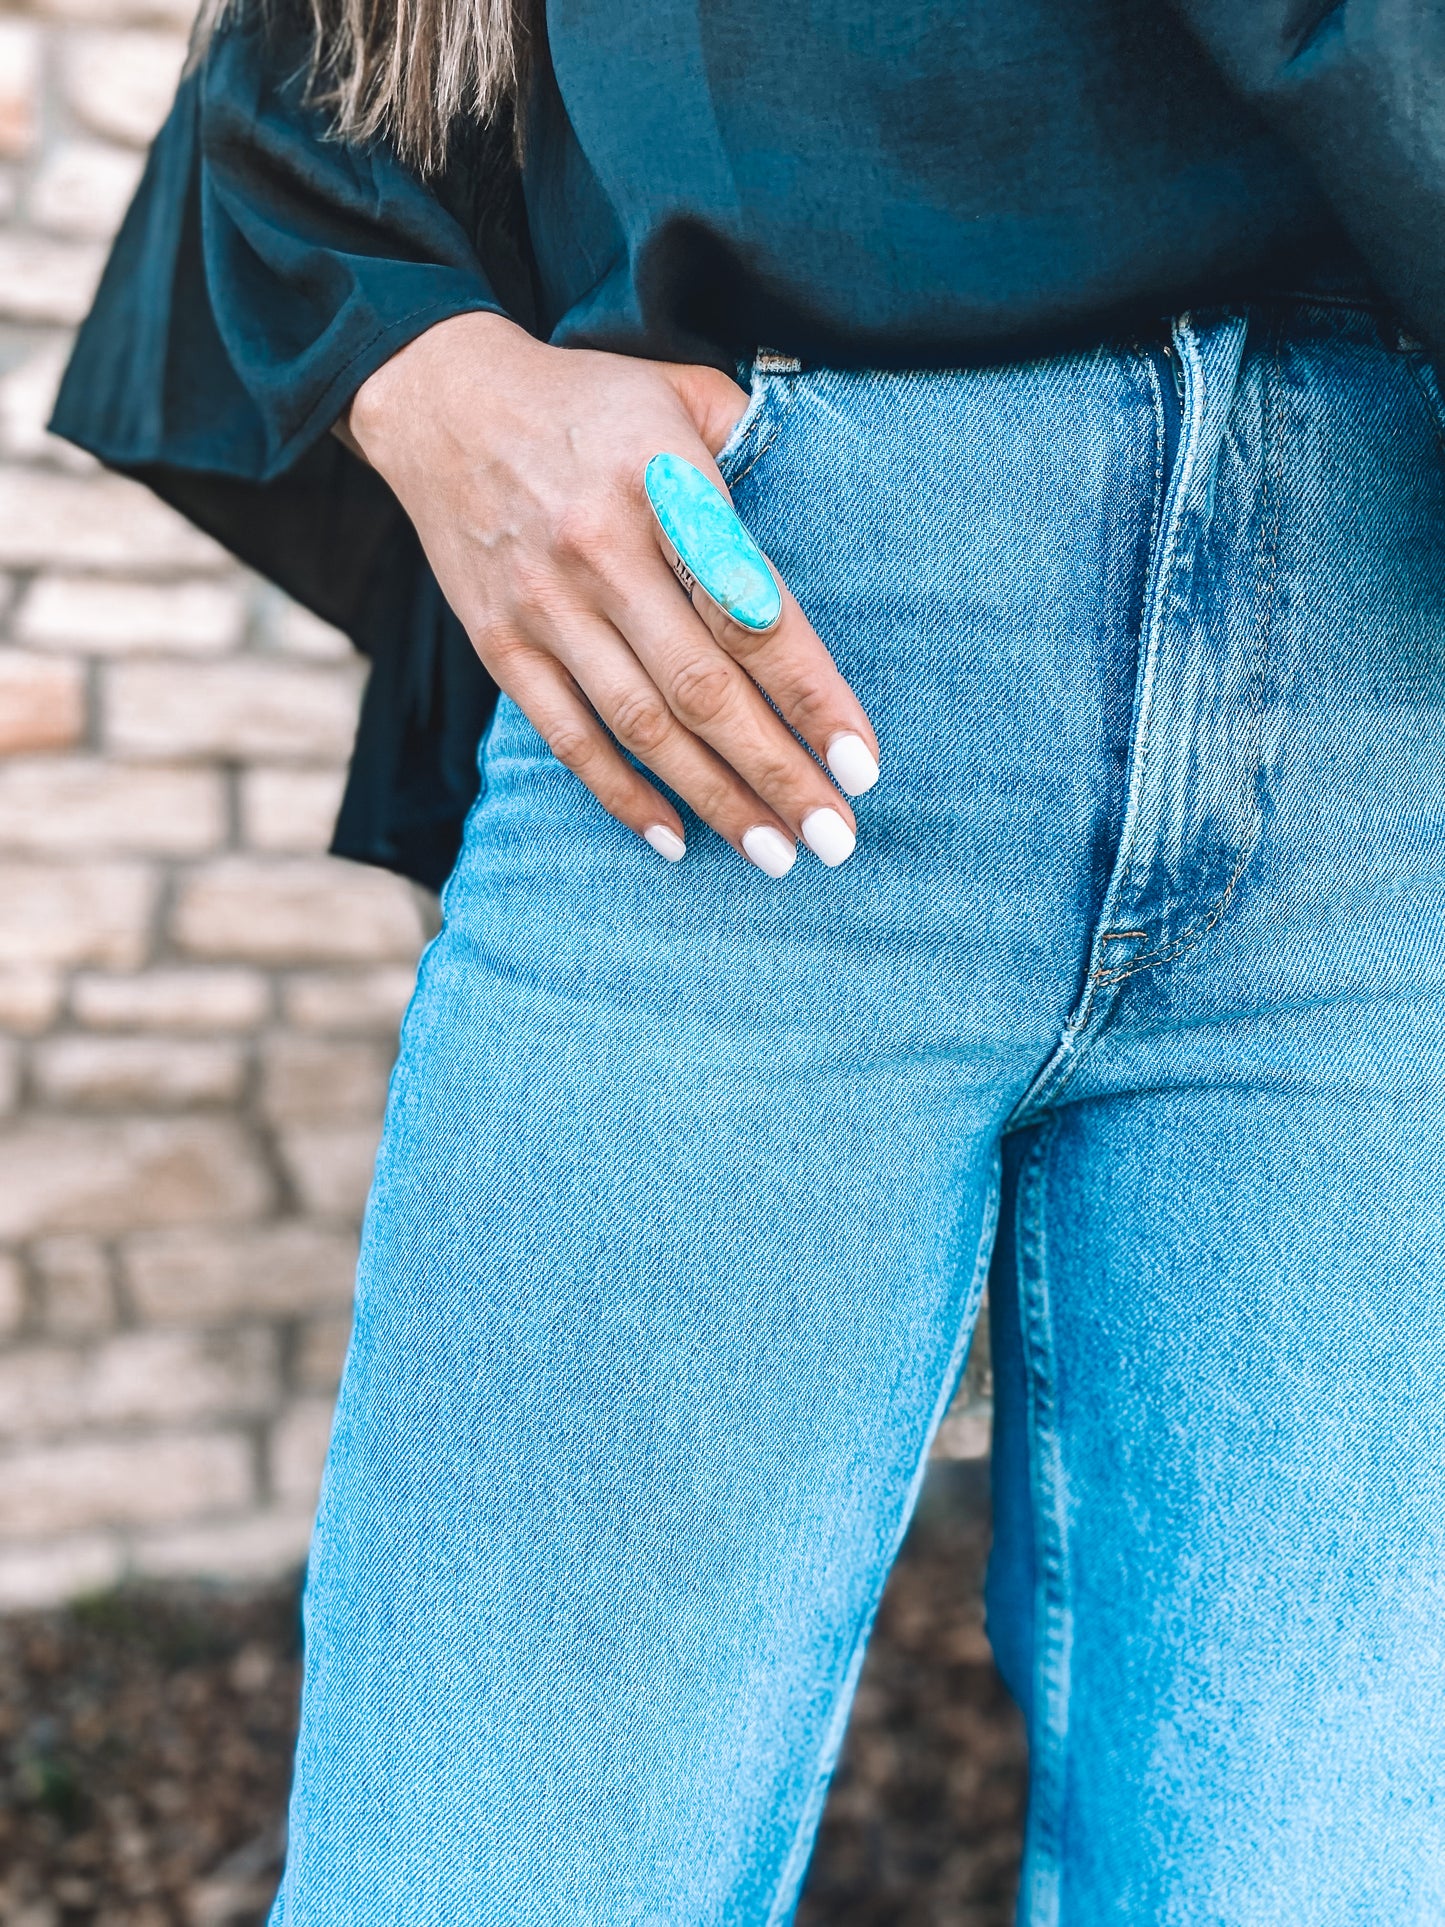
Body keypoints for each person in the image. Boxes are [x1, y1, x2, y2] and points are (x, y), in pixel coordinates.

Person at [53, 3, 1445, 1920]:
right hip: (740, 649)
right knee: (497, 1881)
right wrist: (425, 375)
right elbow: (317, 63)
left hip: (1396, 678)